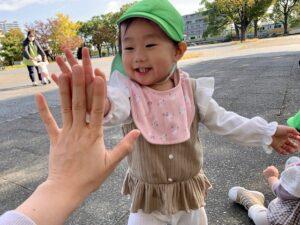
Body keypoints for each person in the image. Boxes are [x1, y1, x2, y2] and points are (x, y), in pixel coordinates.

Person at [53, 0, 300, 224]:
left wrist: (266, 132)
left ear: (178, 51)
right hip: (148, 204)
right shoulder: (127, 92)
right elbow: (113, 108)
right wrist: (95, 101)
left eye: (149, 44)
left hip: (188, 199)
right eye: (128, 48)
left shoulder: (192, 91)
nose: (138, 56)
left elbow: (224, 120)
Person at [0, 61, 140, 225]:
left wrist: (63, 184)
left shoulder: (178, 81)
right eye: (128, 47)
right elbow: (123, 103)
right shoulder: (129, 83)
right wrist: (63, 184)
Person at [228, 156, 300, 224]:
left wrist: (272, 177)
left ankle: (252, 201)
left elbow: (280, 191)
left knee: (261, 219)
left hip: (282, 219)